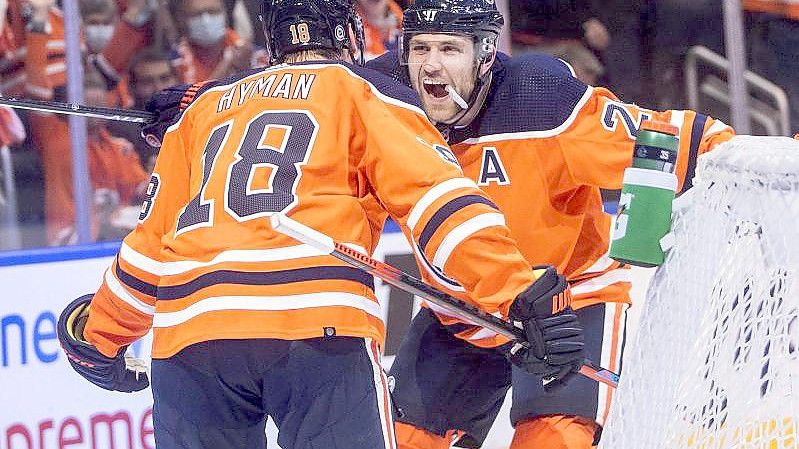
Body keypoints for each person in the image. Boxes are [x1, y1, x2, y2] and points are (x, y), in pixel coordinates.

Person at [55, 1, 587, 448]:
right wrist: (518, 294)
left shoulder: (202, 112)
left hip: (192, 337)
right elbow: (441, 205)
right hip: (314, 327)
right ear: (349, 36)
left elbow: (148, 252)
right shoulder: (366, 93)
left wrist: (98, 335)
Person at [366, 0, 736, 448]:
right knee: (399, 441)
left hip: (570, 300)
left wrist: (769, 164)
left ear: (484, 54)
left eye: (449, 48)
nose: (430, 66)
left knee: (552, 441)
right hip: (459, 312)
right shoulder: (383, 97)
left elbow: (665, 139)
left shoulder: (541, 98)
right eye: (419, 48)